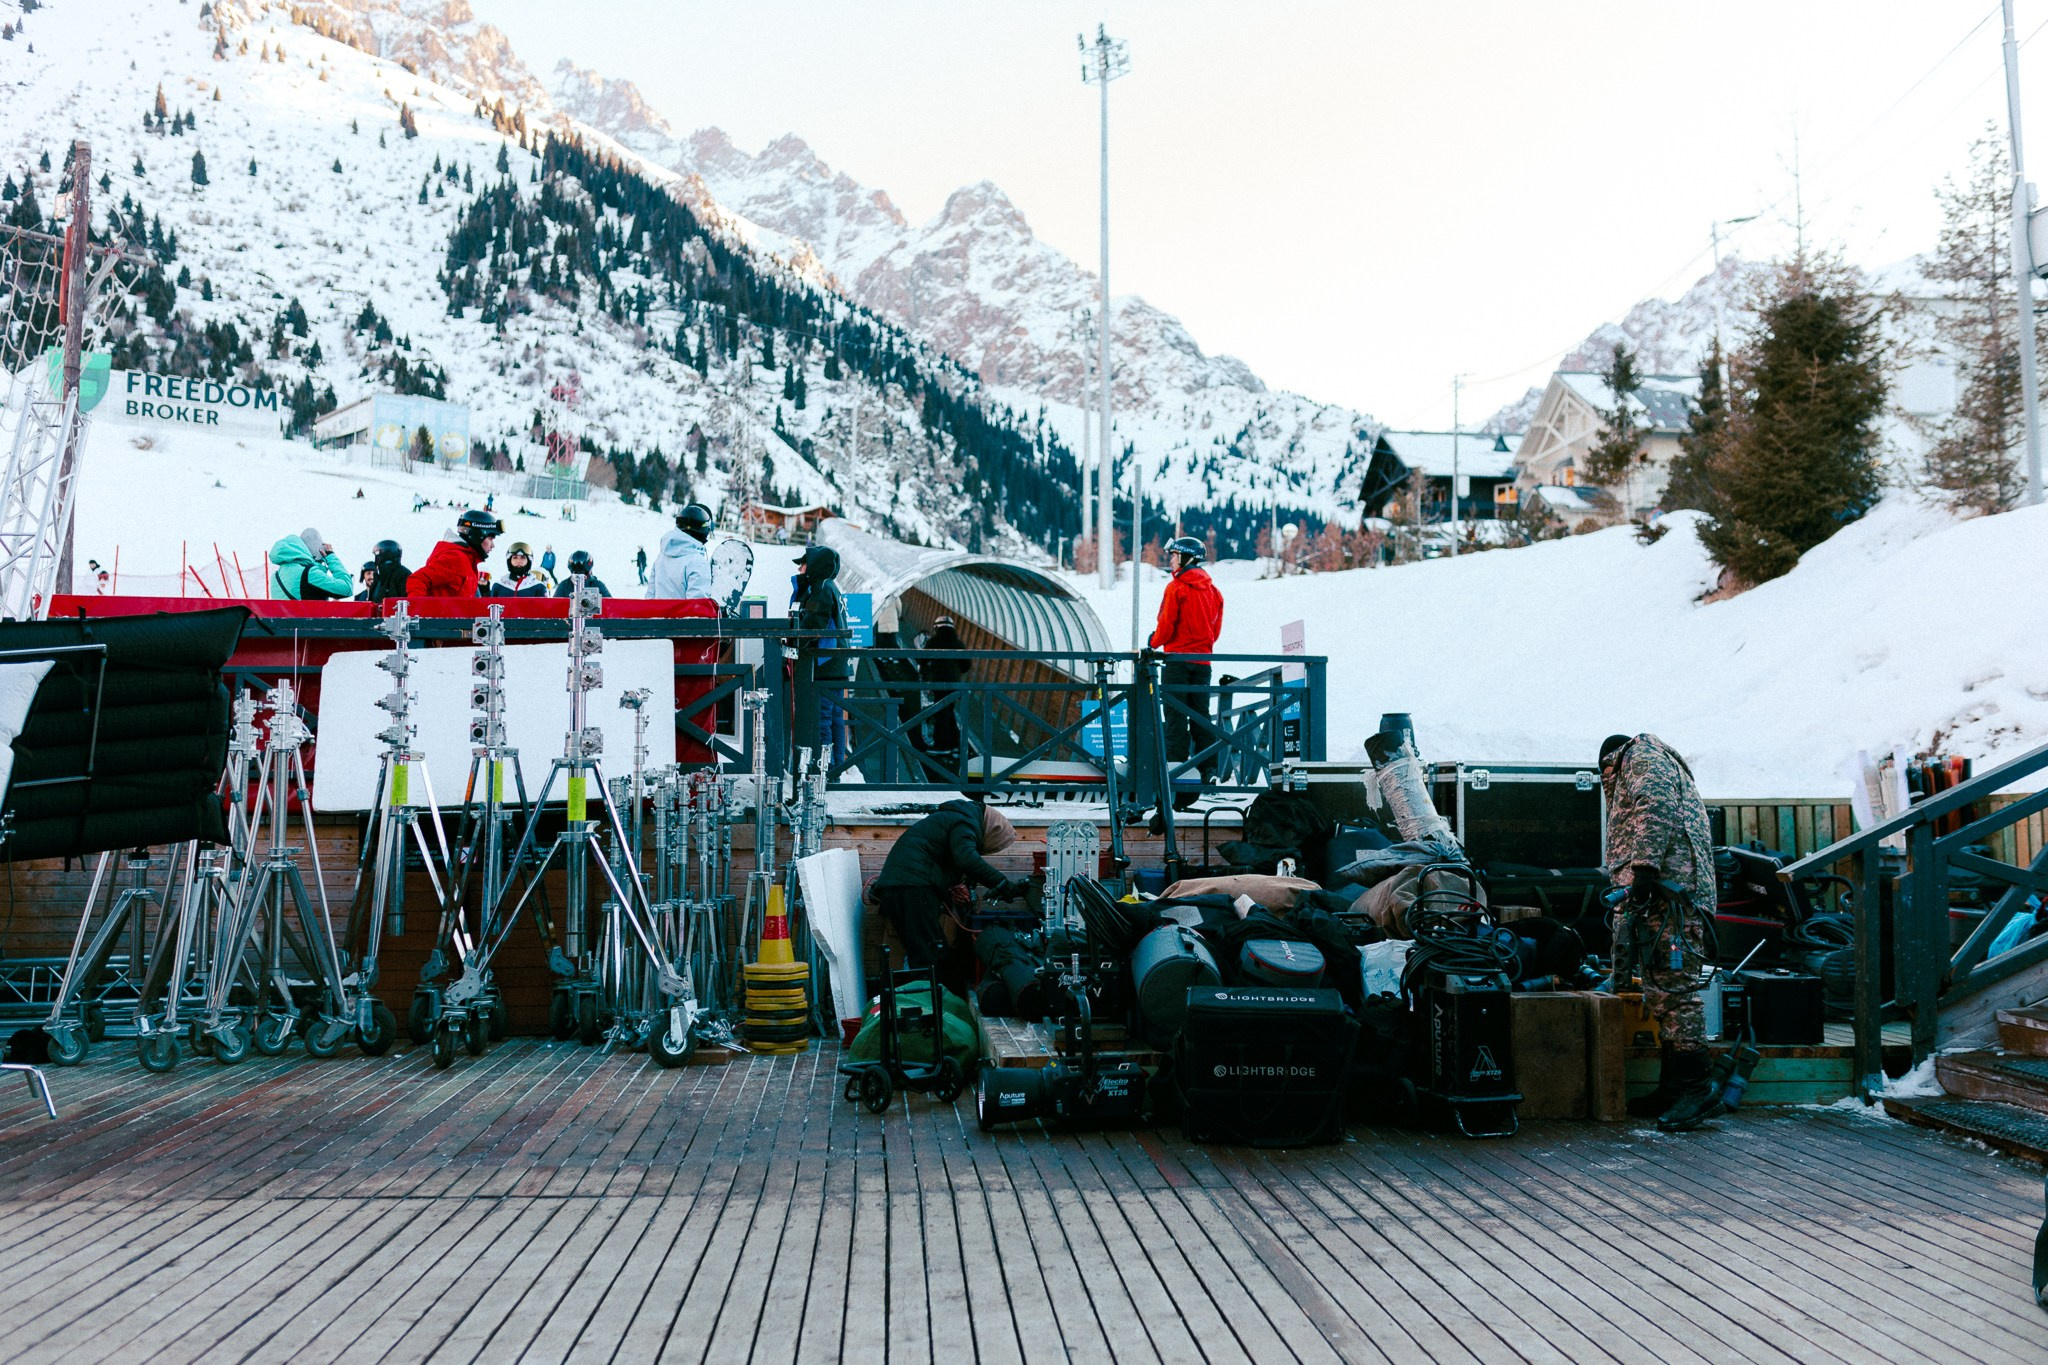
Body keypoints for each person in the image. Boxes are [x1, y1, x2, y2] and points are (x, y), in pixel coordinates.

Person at [1600, 732, 1722, 1132]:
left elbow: (1655, 807)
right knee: (1659, 990)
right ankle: (1672, 1088)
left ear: (1609, 762)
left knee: (1674, 990)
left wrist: (1645, 870)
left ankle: (1696, 1088)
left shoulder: (1640, 758)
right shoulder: (1647, 759)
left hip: (1671, 894)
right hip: (1661, 894)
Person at [871, 800, 1028, 991]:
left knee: (923, 950)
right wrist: (1001, 883)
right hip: (913, 887)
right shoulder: (964, 823)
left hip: (898, 886)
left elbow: (948, 859)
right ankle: (930, 1007)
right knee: (928, 954)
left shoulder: (953, 819)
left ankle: (923, 1001)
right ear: (990, 832)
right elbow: (966, 859)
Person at [1148, 534, 1224, 807]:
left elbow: (1167, 624)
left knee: (1176, 717)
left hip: (1177, 661)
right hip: (1202, 662)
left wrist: (1153, 641)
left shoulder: (1177, 587)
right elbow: (1215, 630)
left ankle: (1176, 771)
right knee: (1201, 715)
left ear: (1185, 558)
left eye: (1174, 555)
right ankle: (1209, 769)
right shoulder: (1214, 591)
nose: (1170, 560)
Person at [790, 545, 851, 767]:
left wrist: (792, 640)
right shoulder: (831, 586)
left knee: (822, 719)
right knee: (835, 718)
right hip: (837, 665)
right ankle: (835, 766)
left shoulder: (821, 589)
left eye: (803, 563)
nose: (799, 568)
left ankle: (823, 769)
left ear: (814, 565)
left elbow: (814, 624)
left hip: (824, 665)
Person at [407, 509, 500, 598]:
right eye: (490, 539)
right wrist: (419, 609)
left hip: (453, 614)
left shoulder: (469, 560)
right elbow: (418, 579)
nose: (493, 545)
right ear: (479, 536)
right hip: (443, 614)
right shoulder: (456, 558)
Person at [918, 615, 969, 770]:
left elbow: (921, 660)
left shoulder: (933, 642)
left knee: (941, 712)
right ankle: (955, 746)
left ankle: (942, 746)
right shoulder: (958, 644)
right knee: (949, 711)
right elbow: (966, 665)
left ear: (937, 627)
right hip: (954, 683)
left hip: (938, 681)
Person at [648, 503, 714, 600]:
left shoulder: (662, 556)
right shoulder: (697, 562)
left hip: (658, 614)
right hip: (681, 615)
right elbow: (697, 607)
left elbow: (650, 596)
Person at [270, 527, 352, 601]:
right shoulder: (309, 573)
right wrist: (331, 556)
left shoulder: (275, 576)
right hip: (308, 617)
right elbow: (347, 588)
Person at [359, 540, 410, 604]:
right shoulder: (379, 577)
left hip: (395, 613)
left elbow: (408, 602)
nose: (376, 560)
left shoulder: (403, 574)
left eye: (377, 556)